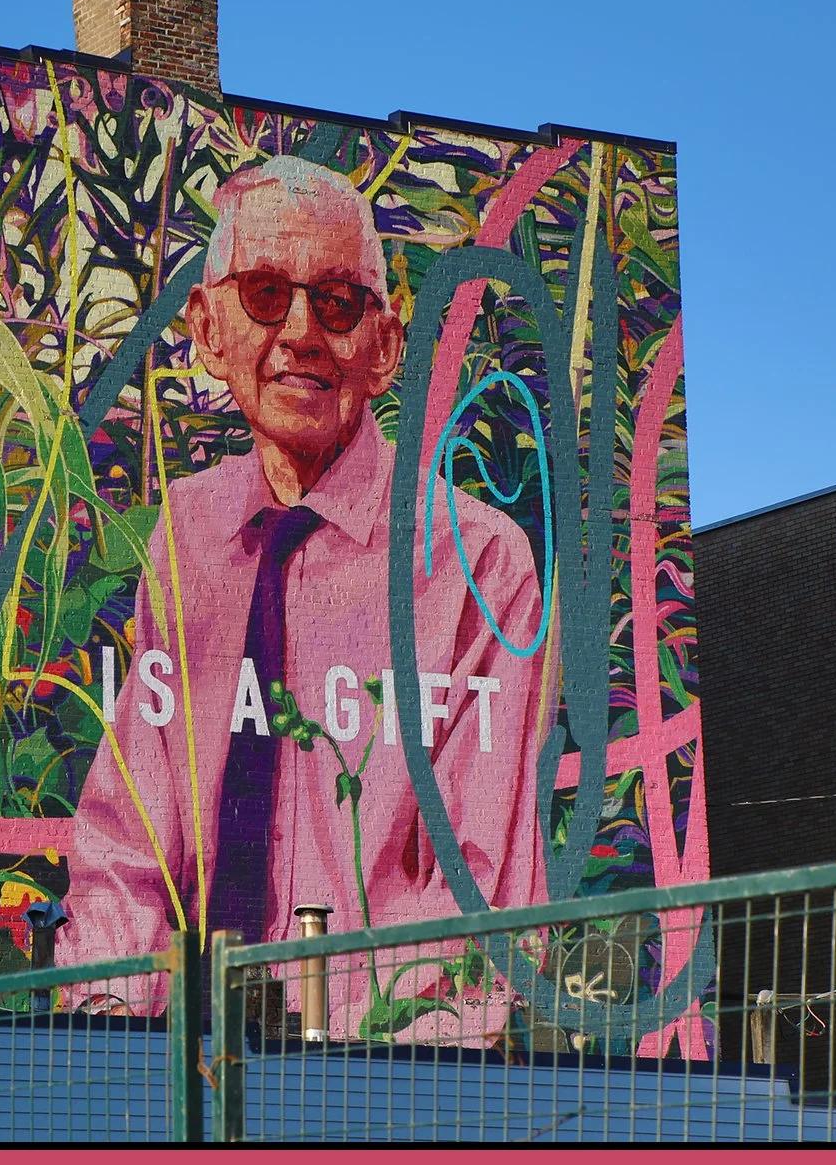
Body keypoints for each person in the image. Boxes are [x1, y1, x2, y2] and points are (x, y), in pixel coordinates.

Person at [55, 156, 549, 1025]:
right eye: (262, 292)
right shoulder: (186, 534)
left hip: (387, 1073)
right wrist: (107, 1025)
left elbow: (489, 880)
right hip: (191, 1070)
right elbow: (132, 827)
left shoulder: (478, 560)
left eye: (336, 301)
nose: (298, 333)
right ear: (207, 330)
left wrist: (385, 1068)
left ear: (385, 347)